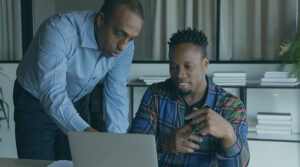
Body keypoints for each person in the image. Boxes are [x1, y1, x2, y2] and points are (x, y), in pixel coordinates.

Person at [13, 0, 143, 160]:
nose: (123, 46)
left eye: (131, 38)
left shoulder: (126, 47)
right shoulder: (59, 30)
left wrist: (116, 143)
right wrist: (85, 133)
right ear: (101, 20)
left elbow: (116, 95)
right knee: (39, 164)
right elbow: (52, 94)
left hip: (78, 100)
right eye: (119, 33)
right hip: (35, 102)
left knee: (78, 161)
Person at [130, 28, 250, 167]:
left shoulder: (231, 106)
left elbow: (240, 164)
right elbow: (135, 147)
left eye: (188, 66)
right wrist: (165, 143)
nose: (180, 74)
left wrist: (228, 134)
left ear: (205, 63)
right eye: (174, 67)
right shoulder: (155, 95)